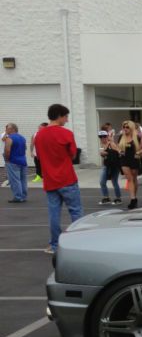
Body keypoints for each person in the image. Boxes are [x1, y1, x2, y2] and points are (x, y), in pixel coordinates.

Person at [34, 104, 83, 253]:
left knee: (54, 213)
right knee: (76, 211)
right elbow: (73, 155)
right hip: (67, 178)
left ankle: (55, 245)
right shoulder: (66, 134)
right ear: (60, 116)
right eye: (66, 117)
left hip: (50, 180)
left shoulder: (39, 135)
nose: (67, 120)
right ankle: (80, 242)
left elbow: (39, 156)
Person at [112, 119, 141, 209]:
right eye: (124, 127)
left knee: (134, 179)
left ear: (131, 128)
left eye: (127, 127)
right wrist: (119, 150)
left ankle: (134, 197)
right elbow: (116, 146)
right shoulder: (121, 137)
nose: (125, 128)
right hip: (124, 160)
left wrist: (138, 153)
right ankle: (132, 199)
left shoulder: (137, 137)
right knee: (129, 179)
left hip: (134, 159)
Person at [3, 123, 27, 203]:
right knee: (23, 180)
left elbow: (7, 150)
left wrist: (7, 159)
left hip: (13, 161)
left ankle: (18, 197)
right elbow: (25, 148)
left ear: (12, 129)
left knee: (15, 180)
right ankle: (23, 196)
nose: (6, 130)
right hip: (23, 161)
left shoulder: (9, 138)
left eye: (7, 129)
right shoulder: (22, 138)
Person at [98, 129, 121, 205]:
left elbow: (119, 151)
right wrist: (103, 154)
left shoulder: (111, 144)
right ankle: (106, 197)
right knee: (102, 182)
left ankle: (118, 198)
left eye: (104, 136)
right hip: (106, 165)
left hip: (114, 166)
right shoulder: (102, 145)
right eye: (100, 137)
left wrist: (107, 153)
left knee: (114, 181)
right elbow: (102, 154)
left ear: (107, 136)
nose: (102, 138)